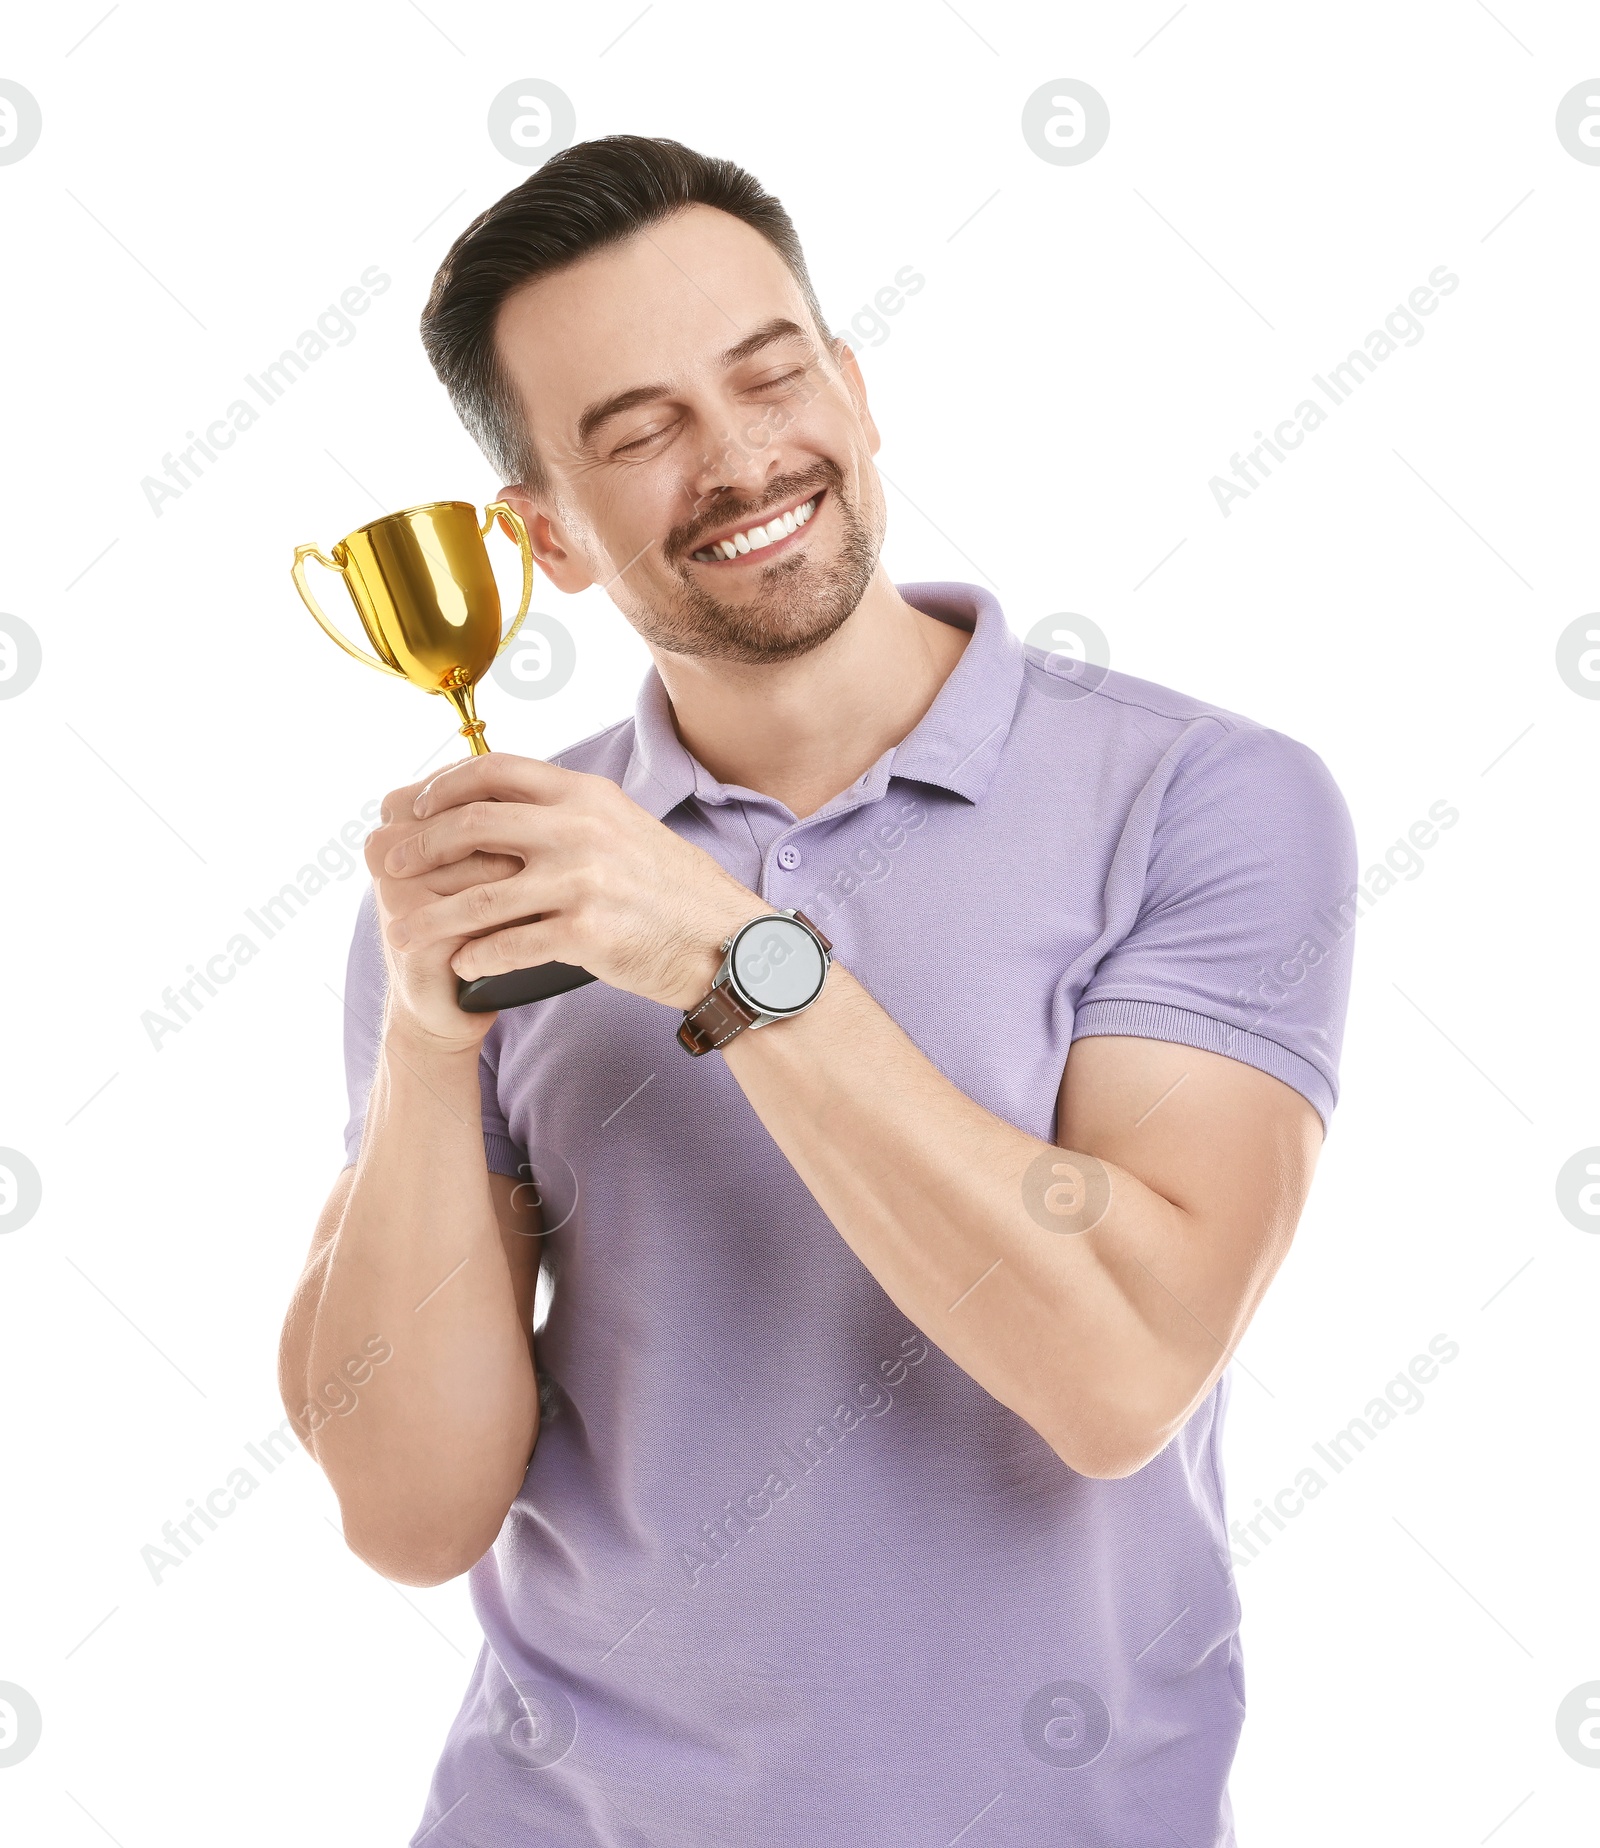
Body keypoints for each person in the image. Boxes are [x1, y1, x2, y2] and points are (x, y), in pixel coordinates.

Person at [277, 134, 1357, 1847]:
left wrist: (723, 961)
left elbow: (1121, 1375)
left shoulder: (1203, 800)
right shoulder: (508, 883)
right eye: (638, 434)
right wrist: (425, 1039)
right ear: (544, 537)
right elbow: (410, 1513)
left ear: (854, 393)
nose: (738, 457)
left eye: (770, 377)